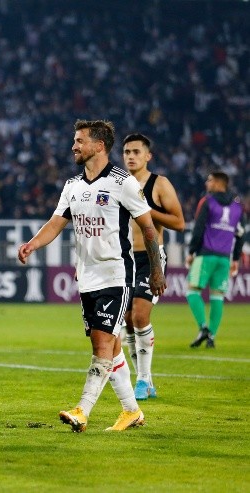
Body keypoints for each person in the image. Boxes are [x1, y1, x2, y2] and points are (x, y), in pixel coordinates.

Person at [18, 119, 165, 433]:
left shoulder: (123, 183)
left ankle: (82, 410)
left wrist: (156, 270)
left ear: (99, 146)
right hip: (86, 278)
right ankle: (131, 411)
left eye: (79, 141)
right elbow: (56, 223)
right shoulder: (72, 186)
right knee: (111, 346)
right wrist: (33, 244)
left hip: (115, 275)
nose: (73, 146)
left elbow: (149, 228)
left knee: (102, 344)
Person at [121, 133, 184, 400]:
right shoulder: (117, 184)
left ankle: (143, 380)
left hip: (150, 257)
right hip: (123, 258)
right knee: (126, 320)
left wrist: (146, 209)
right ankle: (145, 380)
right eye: (126, 152)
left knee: (139, 315)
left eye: (136, 152)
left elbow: (179, 222)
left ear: (148, 156)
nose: (131, 156)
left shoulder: (159, 184)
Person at [187, 172, 245, 348]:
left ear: (219, 183)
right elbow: (240, 234)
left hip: (206, 254)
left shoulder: (207, 201)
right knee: (217, 296)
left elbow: (198, 228)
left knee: (192, 291)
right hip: (224, 258)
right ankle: (211, 337)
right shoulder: (238, 206)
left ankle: (203, 328)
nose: (207, 183)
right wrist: (236, 258)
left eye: (210, 180)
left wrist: (191, 251)